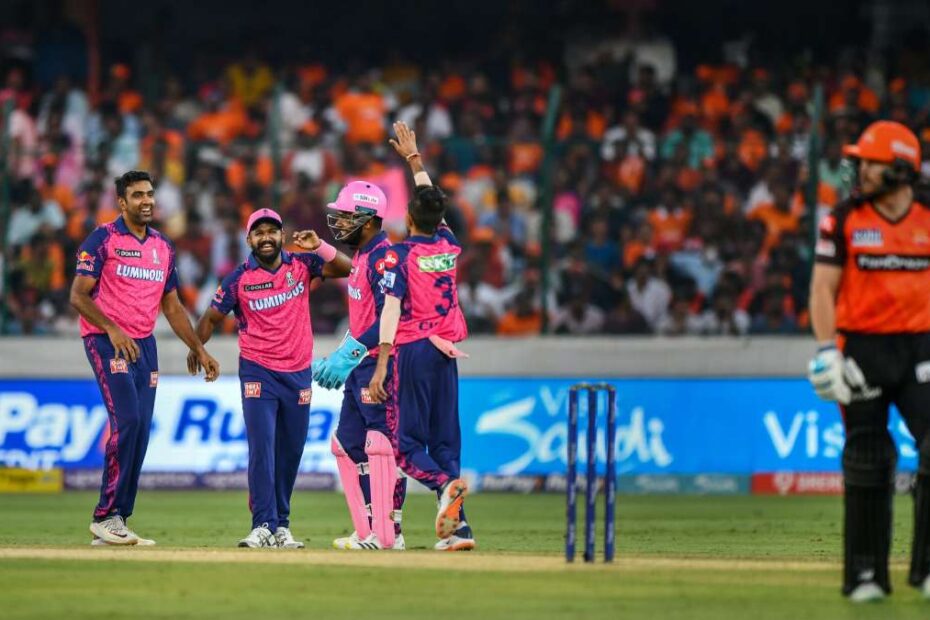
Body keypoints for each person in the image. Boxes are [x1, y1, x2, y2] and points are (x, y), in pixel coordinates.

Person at [808, 120, 930, 602]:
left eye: (869, 162)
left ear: (899, 167)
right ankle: (865, 576)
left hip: (923, 347)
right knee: (867, 456)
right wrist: (825, 351)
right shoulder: (842, 219)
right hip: (862, 348)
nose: (858, 169)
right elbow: (822, 287)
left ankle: (926, 572)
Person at [69, 170, 220, 546]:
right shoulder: (102, 239)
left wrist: (198, 348)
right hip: (107, 341)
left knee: (141, 431)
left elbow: (171, 305)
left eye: (150, 193)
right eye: (137, 195)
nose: (147, 200)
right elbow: (78, 296)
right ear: (122, 202)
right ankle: (104, 515)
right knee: (128, 420)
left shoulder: (163, 247)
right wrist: (112, 329)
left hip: (144, 344)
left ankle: (118, 519)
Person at [188, 207, 352, 548]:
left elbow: (349, 268)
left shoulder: (302, 265)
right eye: (258, 232)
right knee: (262, 450)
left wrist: (319, 244)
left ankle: (281, 526)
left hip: (297, 373)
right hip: (258, 371)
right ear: (248, 239)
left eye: (271, 231)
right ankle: (262, 524)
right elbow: (210, 318)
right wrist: (198, 349)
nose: (265, 237)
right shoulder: (238, 279)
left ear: (281, 235)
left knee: (291, 452)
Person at [368, 121, 475, 551]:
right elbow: (434, 207)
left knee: (408, 449)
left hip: (412, 352)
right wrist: (415, 162)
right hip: (447, 353)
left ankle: (448, 486)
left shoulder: (398, 254)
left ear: (408, 218)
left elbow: (391, 308)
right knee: (445, 442)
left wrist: (381, 361)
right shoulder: (447, 246)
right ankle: (459, 531)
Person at [311, 178, 408, 551]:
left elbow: (389, 316)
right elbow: (363, 316)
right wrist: (344, 353)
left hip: (380, 365)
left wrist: (348, 354)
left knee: (380, 444)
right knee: (347, 444)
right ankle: (367, 530)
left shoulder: (385, 257)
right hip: (359, 366)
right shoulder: (364, 257)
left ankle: (389, 533)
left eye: (347, 215)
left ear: (369, 219)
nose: (338, 222)